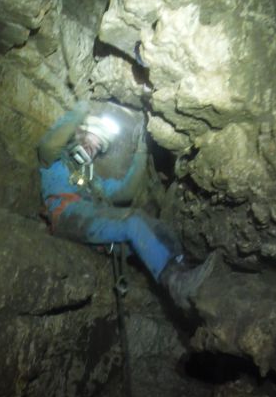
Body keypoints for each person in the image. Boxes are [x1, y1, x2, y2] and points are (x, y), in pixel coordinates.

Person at [38, 100, 215, 310]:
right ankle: (177, 285)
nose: (92, 148)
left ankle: (184, 270)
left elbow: (126, 192)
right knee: (132, 221)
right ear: (77, 134)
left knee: (159, 228)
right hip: (67, 216)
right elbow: (49, 144)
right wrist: (81, 107)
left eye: (97, 146)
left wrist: (141, 148)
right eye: (90, 139)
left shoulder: (94, 183)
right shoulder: (55, 161)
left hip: (92, 223)